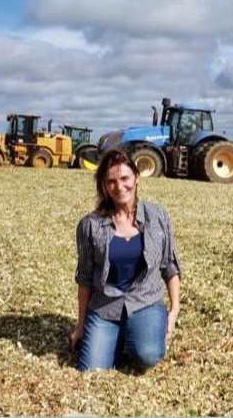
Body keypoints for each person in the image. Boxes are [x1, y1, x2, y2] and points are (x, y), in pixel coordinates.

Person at [69, 149, 181, 371]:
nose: (119, 187)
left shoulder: (158, 216)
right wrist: (80, 326)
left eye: (124, 178)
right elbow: (85, 279)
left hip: (145, 302)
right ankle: (116, 334)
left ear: (137, 177)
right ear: (103, 185)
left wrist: (174, 310)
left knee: (147, 355)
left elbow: (170, 266)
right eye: (111, 181)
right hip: (105, 307)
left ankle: (136, 331)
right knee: (92, 370)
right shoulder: (90, 225)